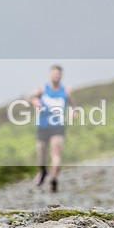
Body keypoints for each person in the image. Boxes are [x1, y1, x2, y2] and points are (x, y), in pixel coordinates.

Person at [29, 65, 76, 193]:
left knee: (56, 152)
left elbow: (72, 103)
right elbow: (30, 96)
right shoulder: (43, 88)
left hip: (58, 126)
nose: (56, 76)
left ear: (61, 76)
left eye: (58, 74)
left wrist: (73, 111)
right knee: (41, 152)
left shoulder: (66, 90)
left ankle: (54, 178)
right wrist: (35, 101)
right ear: (50, 74)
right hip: (43, 125)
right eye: (54, 74)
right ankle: (43, 171)